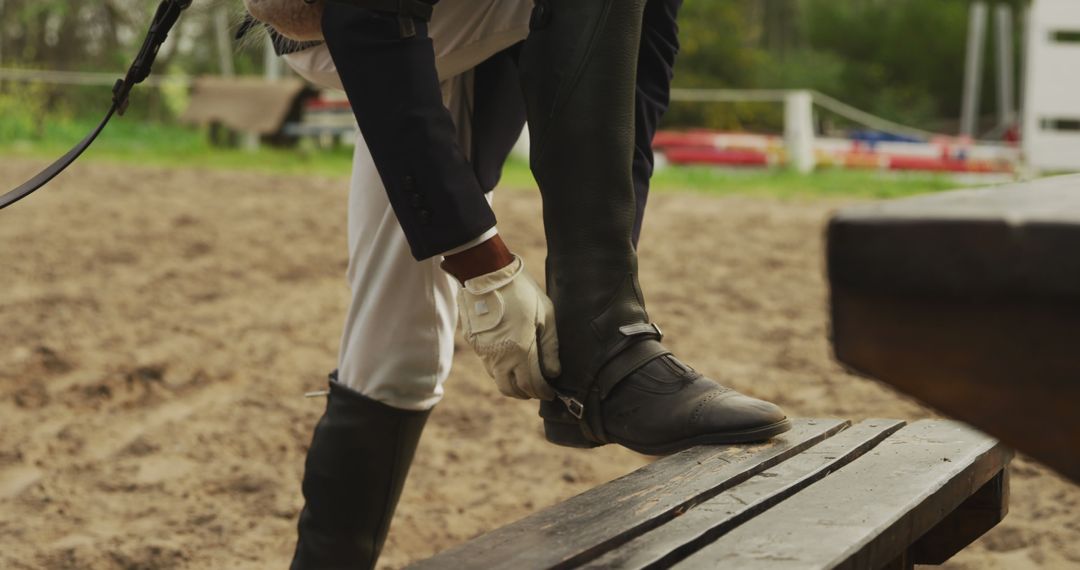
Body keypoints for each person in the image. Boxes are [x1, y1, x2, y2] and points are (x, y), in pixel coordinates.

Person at [248, 1, 792, 568]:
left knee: (397, 357)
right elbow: (362, 17)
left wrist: (598, 304)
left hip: (443, 19)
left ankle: (599, 347)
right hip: (340, 19)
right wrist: (482, 266)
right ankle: (603, 354)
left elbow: (641, 69)